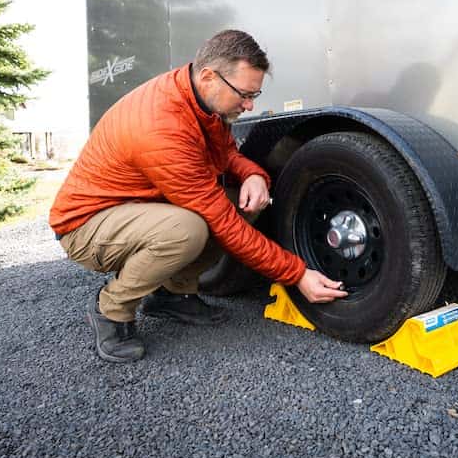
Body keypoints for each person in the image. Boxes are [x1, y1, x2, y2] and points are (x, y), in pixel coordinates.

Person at [49, 30, 347, 363]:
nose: (250, 105)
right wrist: (296, 273)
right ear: (208, 76)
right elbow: (220, 221)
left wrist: (252, 174)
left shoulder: (200, 100)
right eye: (244, 94)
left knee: (241, 204)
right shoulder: (160, 126)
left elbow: (224, 154)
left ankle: (172, 295)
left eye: (255, 94)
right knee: (187, 229)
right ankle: (111, 308)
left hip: (143, 207)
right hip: (87, 224)